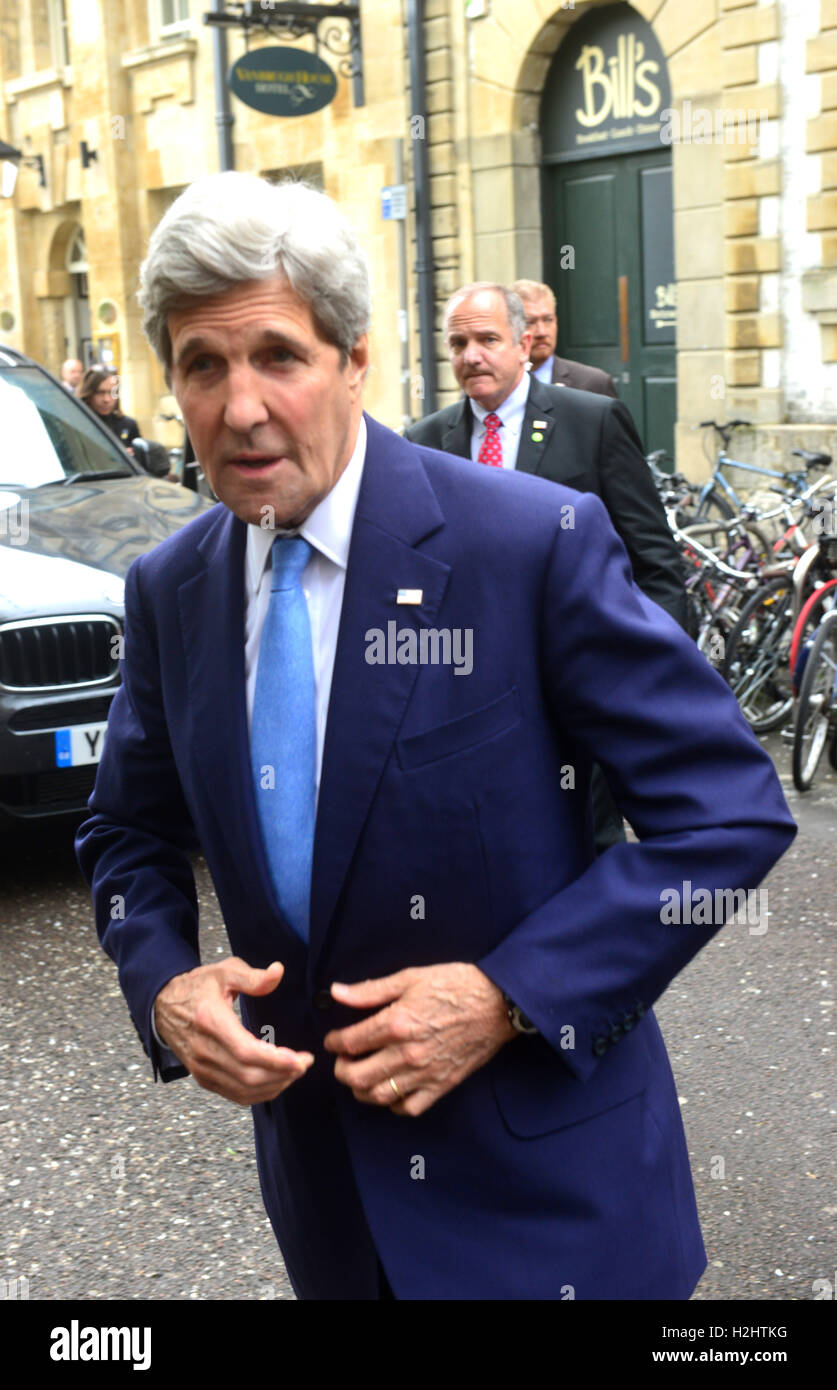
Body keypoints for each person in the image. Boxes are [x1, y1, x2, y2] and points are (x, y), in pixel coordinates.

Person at [75, 173, 795, 1302]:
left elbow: (730, 810)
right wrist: (162, 982)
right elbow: (125, 827)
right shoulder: (171, 589)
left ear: (354, 360)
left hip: (554, 1209)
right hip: (335, 1219)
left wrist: (509, 992)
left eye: (279, 356)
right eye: (203, 367)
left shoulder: (527, 544)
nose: (242, 406)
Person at [405, 282, 687, 631]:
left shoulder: (593, 422)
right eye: (458, 344)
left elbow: (654, 559)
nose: (472, 356)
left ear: (522, 345)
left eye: (488, 340)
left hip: (579, 649)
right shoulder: (424, 441)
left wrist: (660, 658)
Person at [512, 277, 618, 396]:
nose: (542, 332)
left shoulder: (594, 383)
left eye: (548, 320)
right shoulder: (493, 384)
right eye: (530, 322)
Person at [79, 364, 139, 453]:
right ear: (89, 393)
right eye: (100, 392)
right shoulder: (76, 423)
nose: (106, 399)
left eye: (112, 392)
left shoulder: (128, 424)